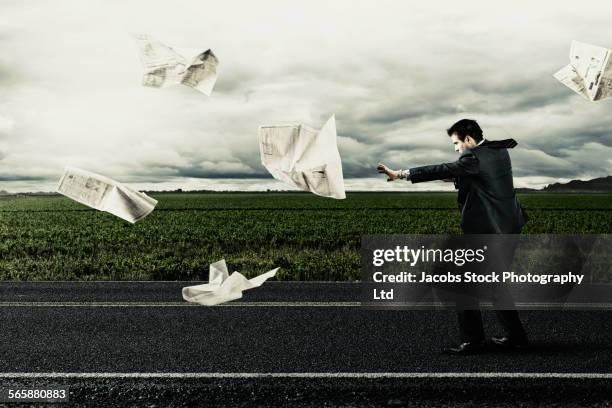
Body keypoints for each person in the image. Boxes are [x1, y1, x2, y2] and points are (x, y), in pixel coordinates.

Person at [377, 118, 529, 355]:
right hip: (510, 226)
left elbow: (445, 168)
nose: (455, 149)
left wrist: (401, 174)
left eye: (456, 144)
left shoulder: (474, 158)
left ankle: (474, 341)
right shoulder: (497, 152)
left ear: (468, 140)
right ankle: (517, 337)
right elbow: (462, 173)